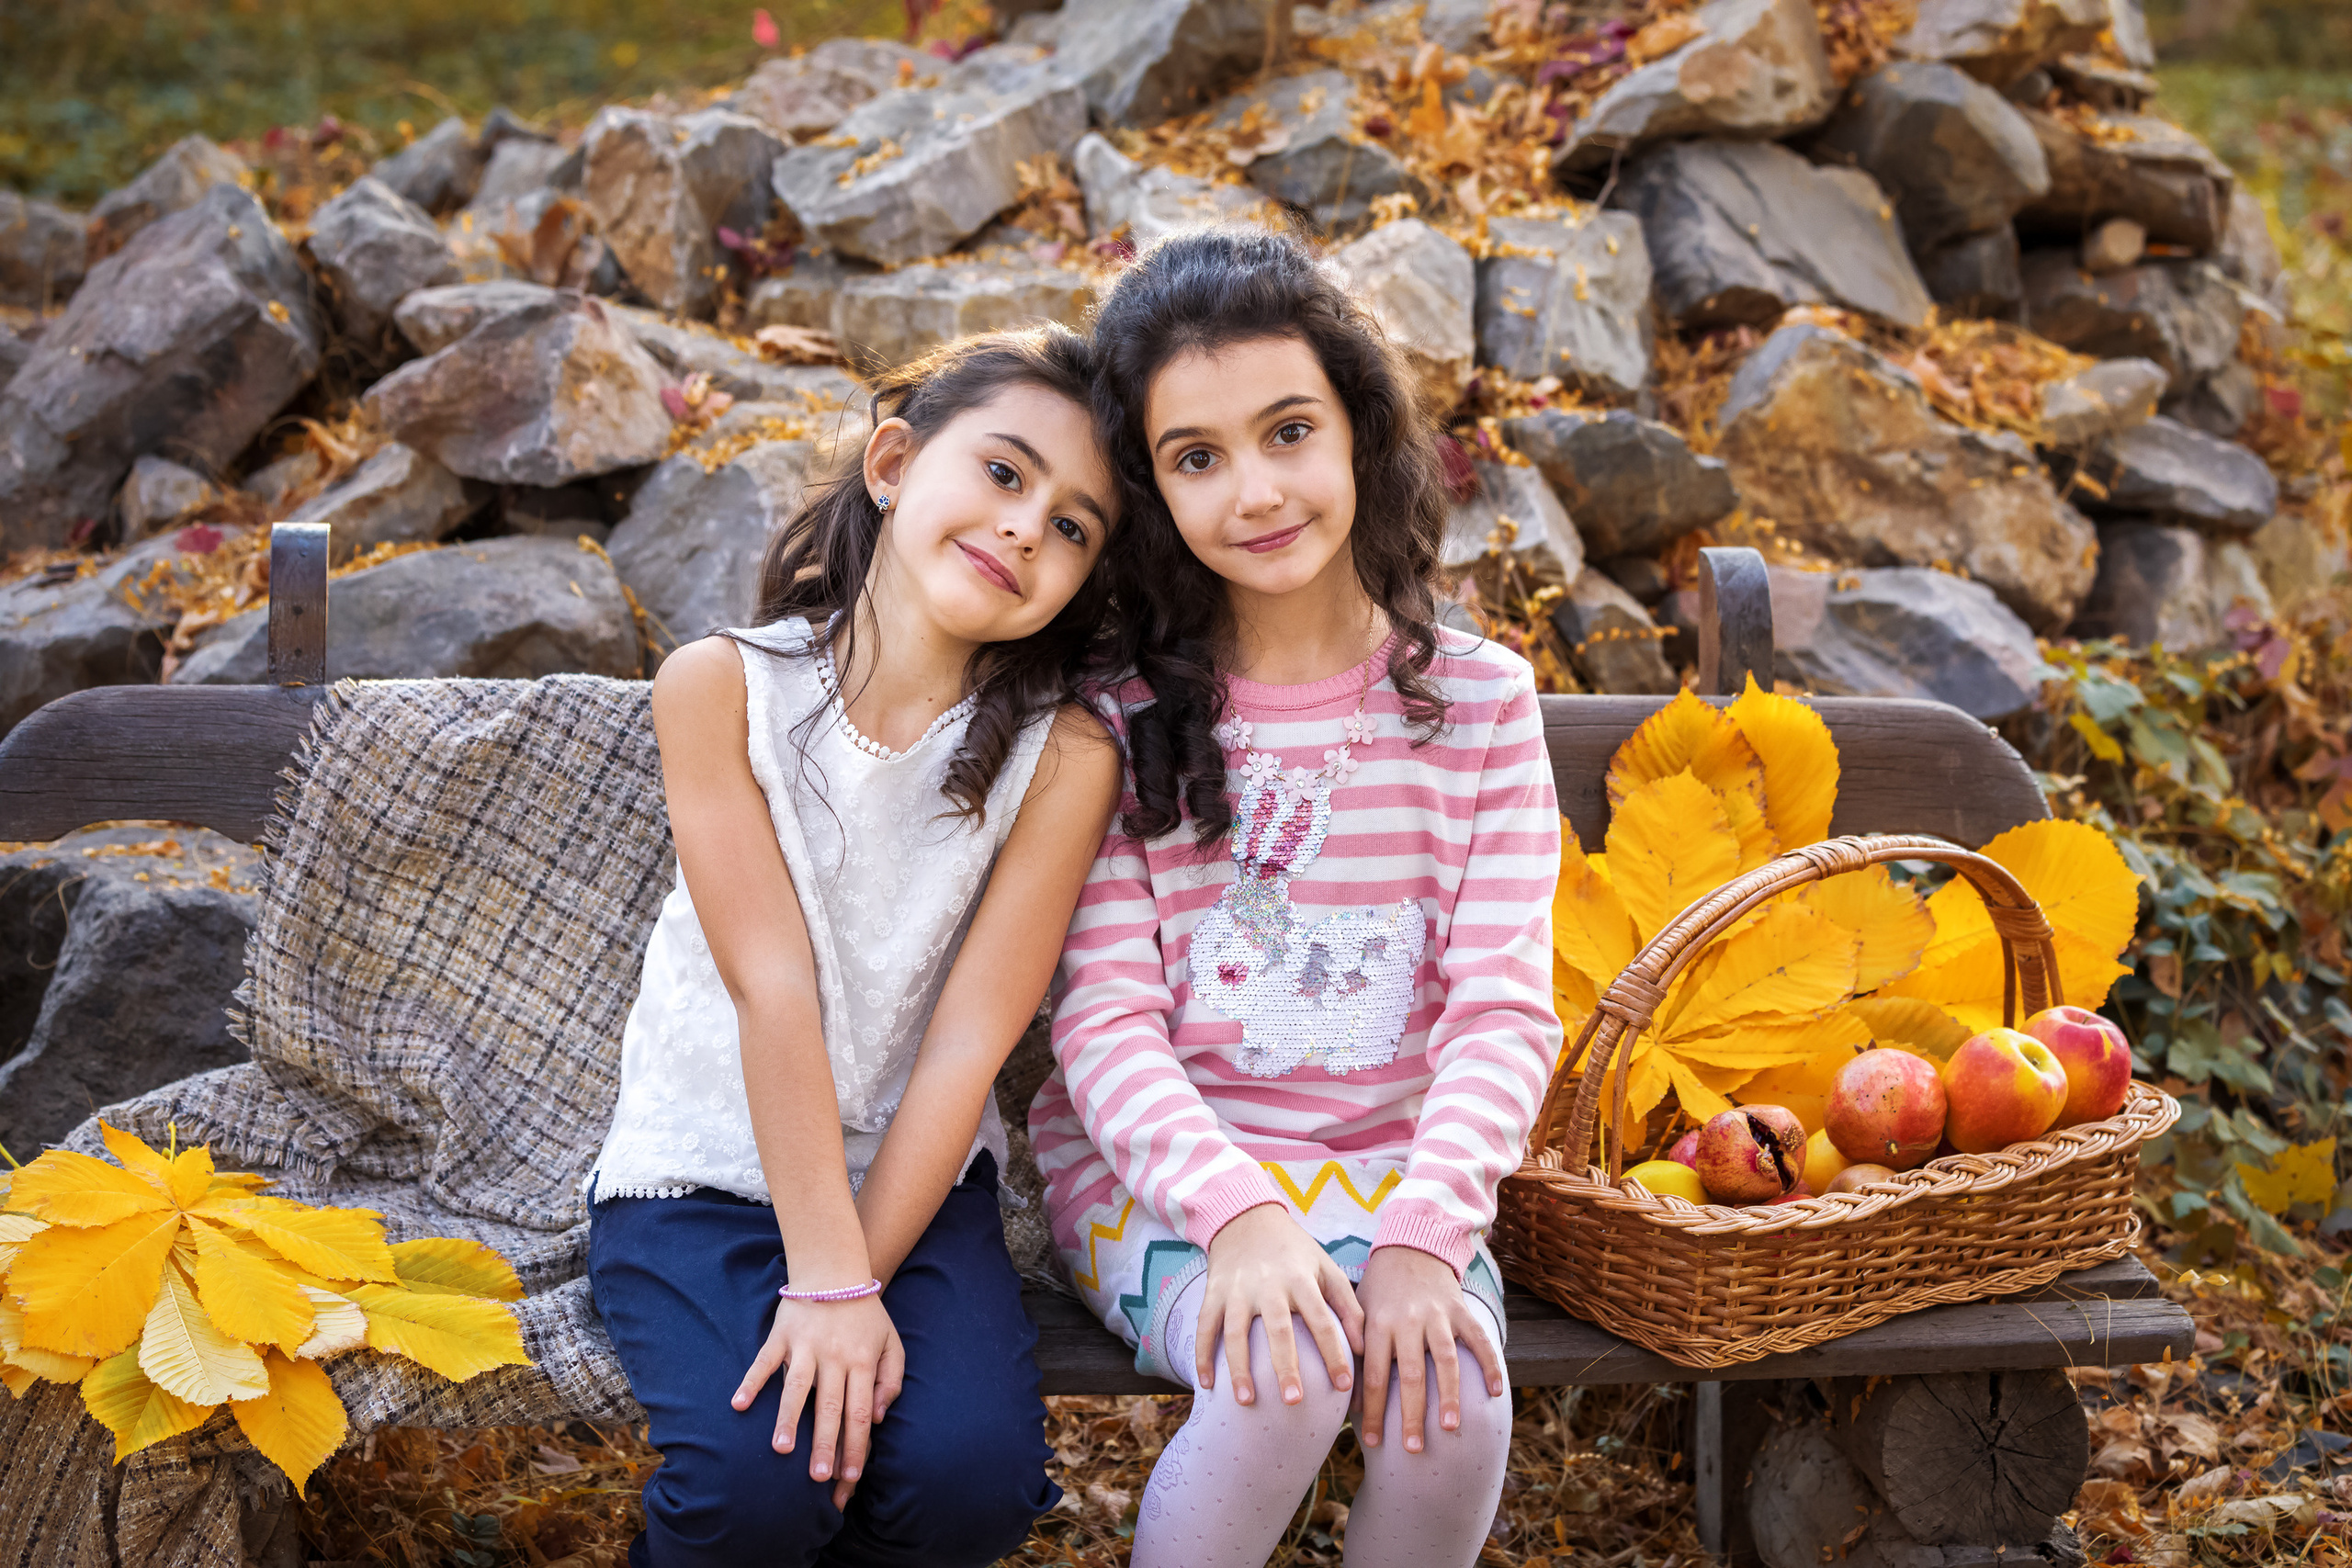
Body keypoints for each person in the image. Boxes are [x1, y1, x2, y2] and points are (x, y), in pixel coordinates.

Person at [1031, 227, 1563, 1568]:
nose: (1256, 490)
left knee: (1457, 1407)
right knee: (1286, 1379)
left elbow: (1501, 1012)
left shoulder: (1483, 708)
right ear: (1151, 490)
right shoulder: (1126, 718)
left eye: (1287, 433)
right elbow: (1104, 1029)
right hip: (1163, 1179)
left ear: (1360, 433)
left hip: (1401, 1172)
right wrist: (1245, 1219)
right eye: (1197, 458)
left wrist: (1429, 1235)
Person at [586, 326, 1124, 1568]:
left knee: (969, 1480)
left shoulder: (1064, 753)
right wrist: (820, 1286)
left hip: (916, 1184)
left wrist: (855, 1281)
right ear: (893, 461)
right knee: (756, 1486)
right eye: (1004, 472)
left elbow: (969, 1041)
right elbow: (772, 986)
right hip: (702, 1174)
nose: (1029, 525)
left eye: (1076, 525)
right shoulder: (720, 689)